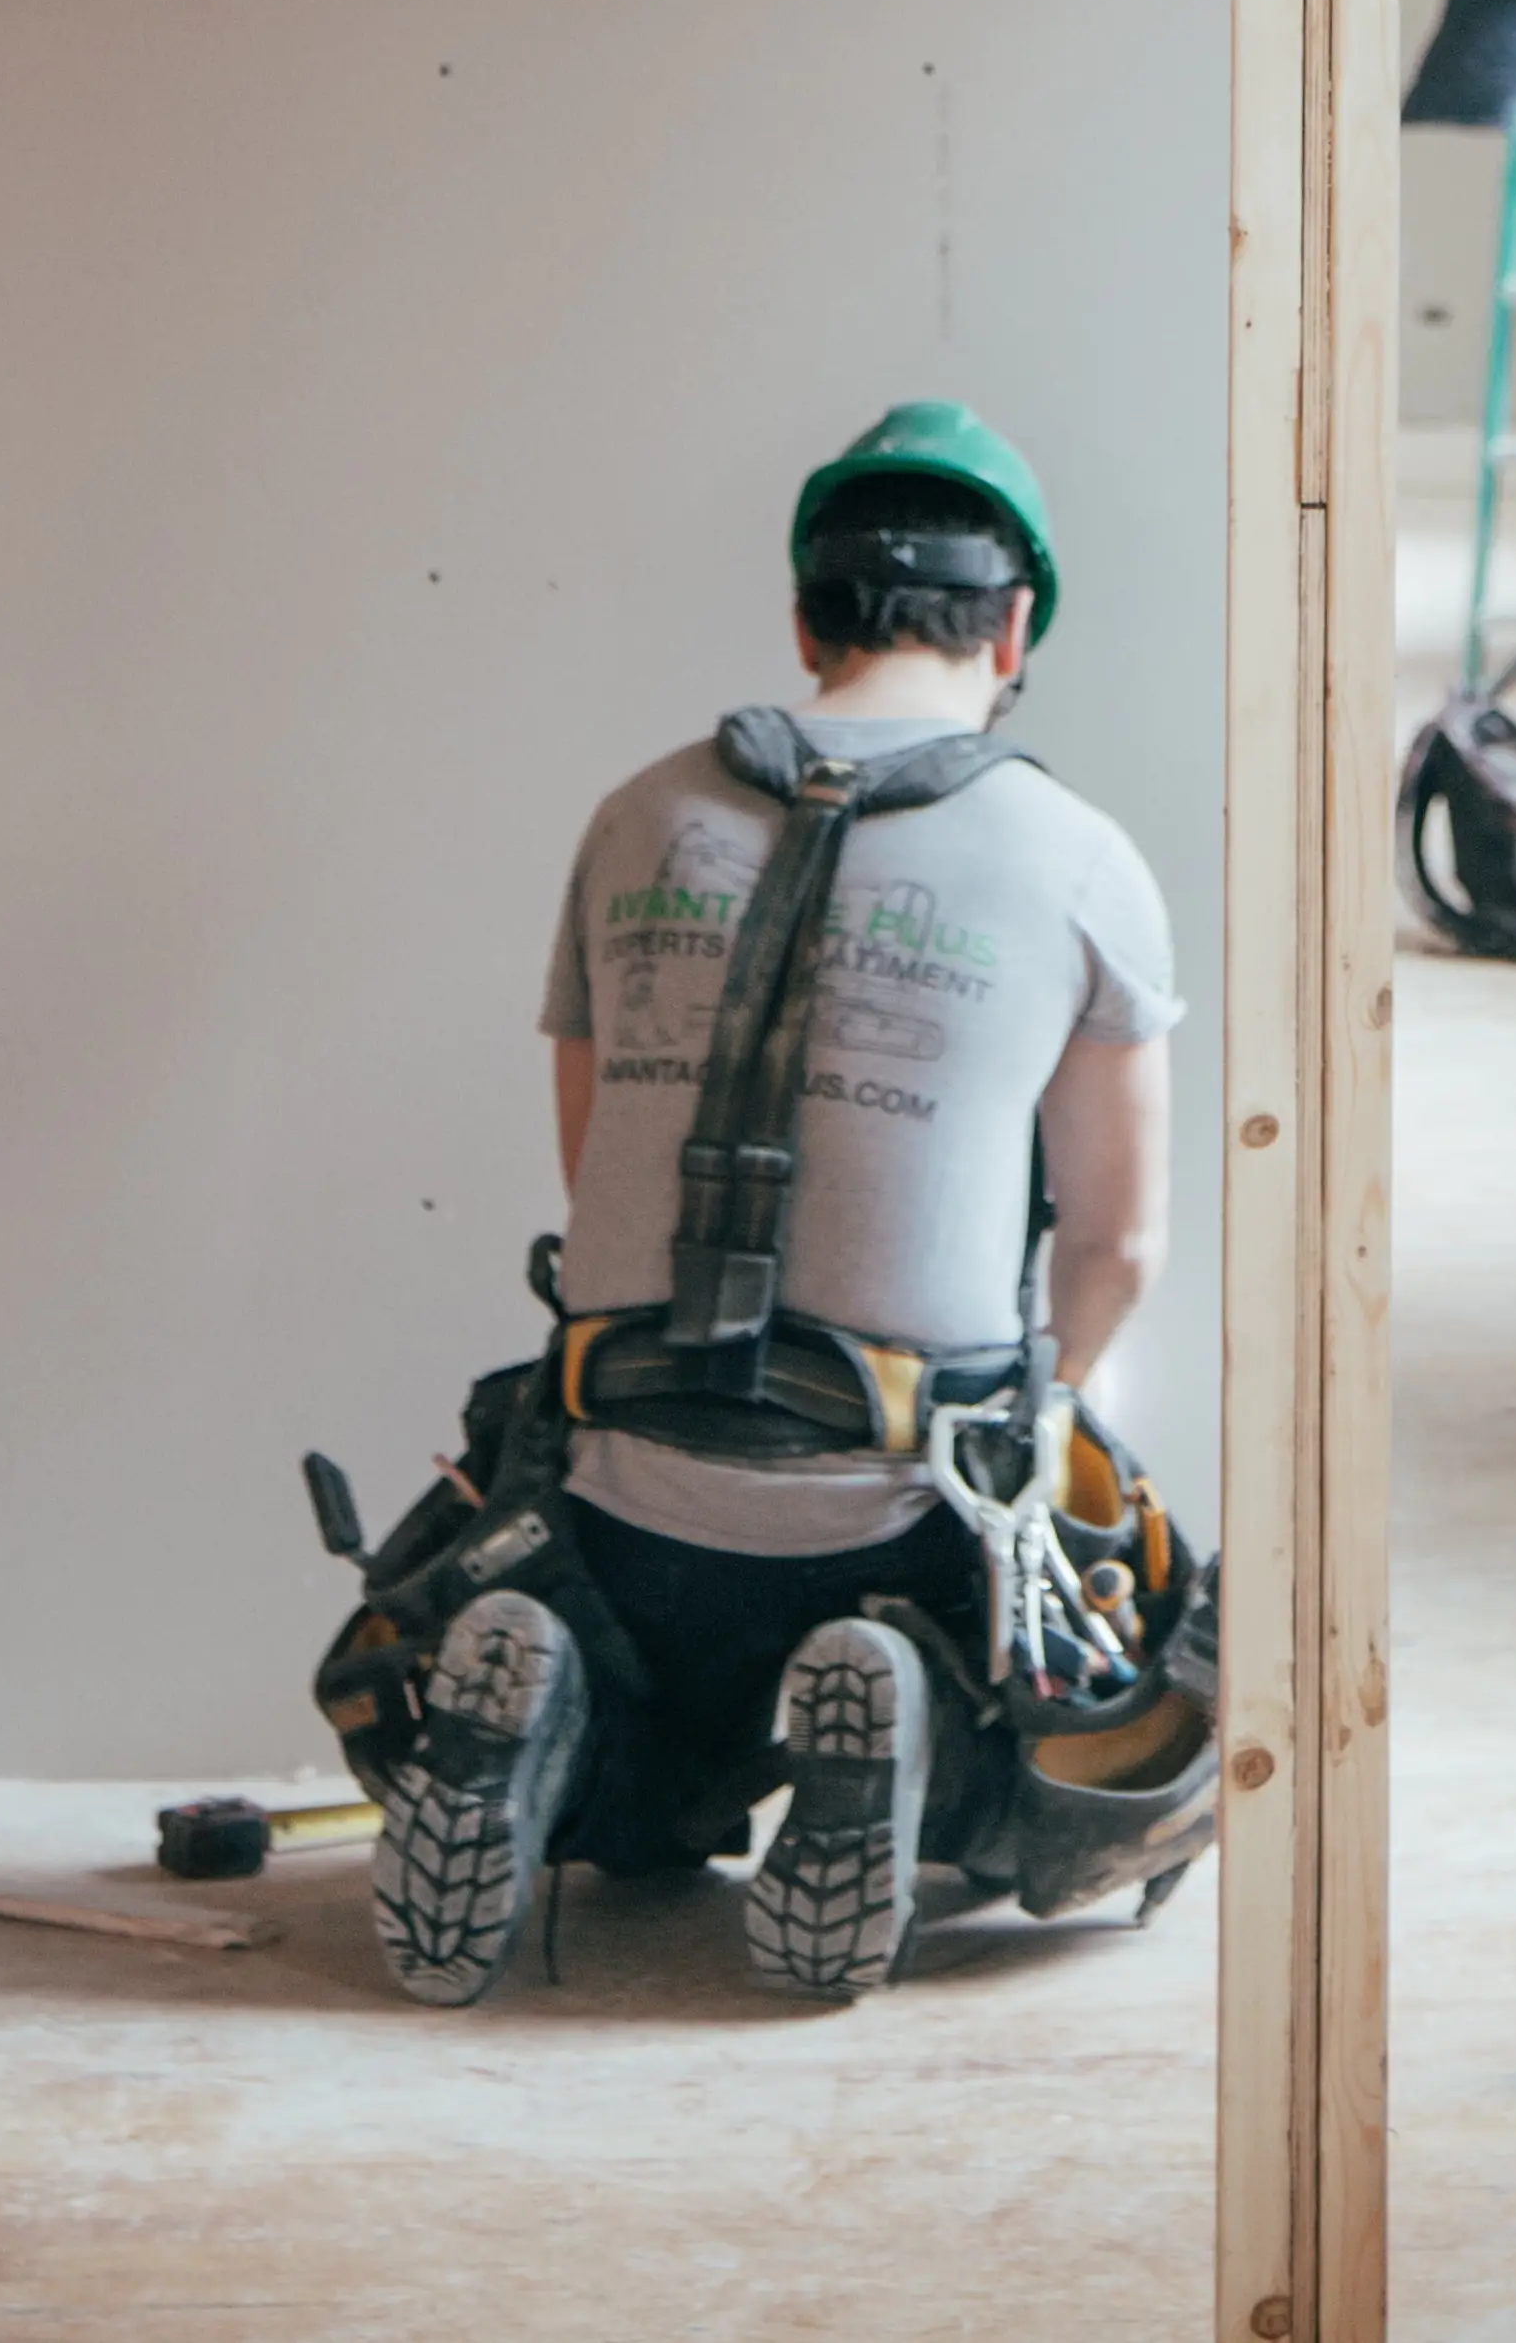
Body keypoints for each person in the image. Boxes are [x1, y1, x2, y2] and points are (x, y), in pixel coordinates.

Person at [365, 402, 1186, 2007]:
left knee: (647, 1798)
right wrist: (1047, 1428)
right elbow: (1115, 1246)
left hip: (617, 1499)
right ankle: (909, 1704)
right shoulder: (1078, 856)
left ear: (805, 620)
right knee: (1127, 1693)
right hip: (891, 1500)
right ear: (1013, 627)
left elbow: (593, 1167)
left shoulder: (636, 817)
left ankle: (575, 1731)